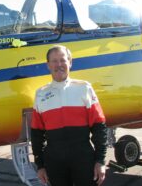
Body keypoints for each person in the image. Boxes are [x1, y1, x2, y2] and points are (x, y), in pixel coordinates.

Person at [31, 45, 107, 186]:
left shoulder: (84, 88)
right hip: (54, 162)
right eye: (54, 61)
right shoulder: (40, 94)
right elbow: (36, 134)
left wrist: (100, 161)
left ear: (70, 62)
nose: (59, 64)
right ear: (48, 65)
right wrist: (40, 166)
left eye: (62, 60)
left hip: (83, 159)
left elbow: (99, 127)